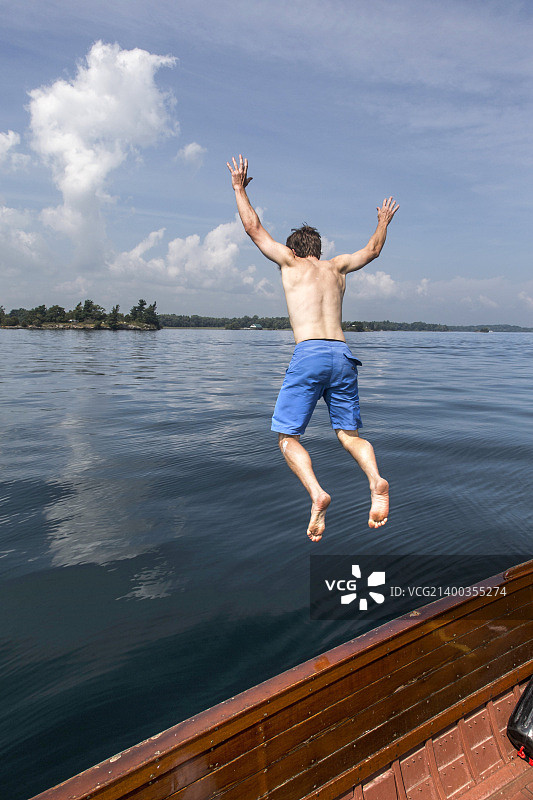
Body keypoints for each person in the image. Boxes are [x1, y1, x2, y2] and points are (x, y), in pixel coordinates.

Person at [227, 154, 399, 541]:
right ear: (318, 250)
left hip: (309, 354)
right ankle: (375, 480)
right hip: (342, 354)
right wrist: (382, 221)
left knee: (288, 438)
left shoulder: (288, 263)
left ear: (294, 249)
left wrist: (238, 187)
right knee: (349, 434)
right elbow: (372, 251)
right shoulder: (336, 267)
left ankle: (317, 493)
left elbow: (253, 227)